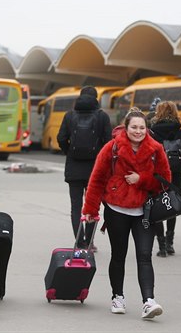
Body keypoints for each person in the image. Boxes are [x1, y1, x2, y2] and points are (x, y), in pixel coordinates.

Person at [82, 107, 171, 320]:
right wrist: (90, 210)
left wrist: (142, 179)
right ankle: (117, 297)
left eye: (142, 127)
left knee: (144, 256)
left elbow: (165, 181)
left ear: (147, 129)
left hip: (144, 211)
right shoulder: (111, 148)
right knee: (118, 255)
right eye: (134, 127)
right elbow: (96, 180)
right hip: (116, 210)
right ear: (126, 127)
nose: (138, 131)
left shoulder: (156, 149)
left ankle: (148, 301)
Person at [56, 86, 112, 249]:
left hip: (74, 168)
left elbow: (61, 138)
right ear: (96, 99)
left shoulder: (69, 115)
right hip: (96, 169)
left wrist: (70, 152)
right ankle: (90, 242)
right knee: (92, 205)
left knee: (75, 207)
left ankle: (80, 242)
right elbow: (109, 142)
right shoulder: (102, 117)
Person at [149, 101, 181, 257]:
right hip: (175, 175)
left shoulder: (152, 133)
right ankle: (170, 243)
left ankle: (161, 246)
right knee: (173, 206)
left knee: (158, 207)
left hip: (158, 176)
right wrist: (179, 167)